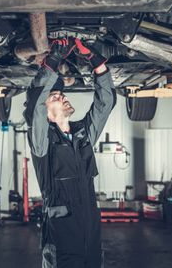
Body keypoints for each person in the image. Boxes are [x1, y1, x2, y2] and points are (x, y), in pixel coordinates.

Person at [23, 37, 116, 268]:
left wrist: (96, 62)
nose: (63, 97)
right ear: (46, 115)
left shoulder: (83, 135)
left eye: (61, 95)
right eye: (55, 97)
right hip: (62, 247)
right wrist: (54, 59)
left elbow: (106, 102)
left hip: (91, 241)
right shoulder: (43, 144)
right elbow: (35, 104)